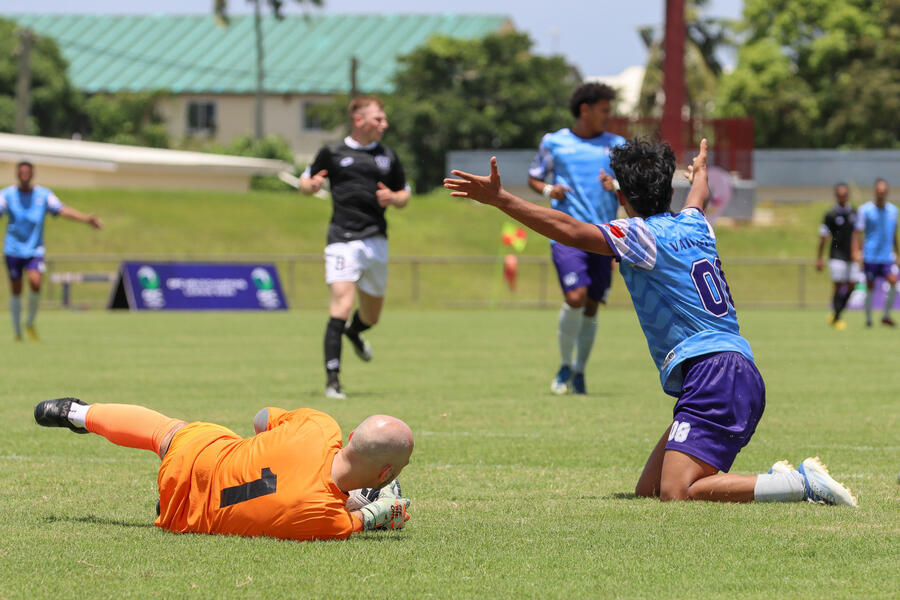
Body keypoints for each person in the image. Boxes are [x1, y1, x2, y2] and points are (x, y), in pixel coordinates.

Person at [445, 138, 857, 505]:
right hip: (733, 369)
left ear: (622, 196)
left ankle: (797, 483)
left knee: (676, 492)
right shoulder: (696, 222)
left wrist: (502, 199)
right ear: (669, 190)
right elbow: (698, 195)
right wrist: (700, 172)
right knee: (650, 490)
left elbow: (569, 229)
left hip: (713, 373)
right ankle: (777, 481)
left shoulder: (641, 236)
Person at [33, 397, 414, 540]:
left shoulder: (319, 426)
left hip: (199, 456)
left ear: (351, 436)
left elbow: (261, 417)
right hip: (182, 513)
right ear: (385, 475)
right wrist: (378, 511)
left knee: (167, 431)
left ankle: (76, 412)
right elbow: (361, 518)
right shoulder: (324, 520)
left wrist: (274, 449)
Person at [299, 96, 410, 399]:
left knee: (371, 316)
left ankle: (354, 332)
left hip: (376, 240)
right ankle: (333, 381)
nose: (384, 124)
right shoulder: (332, 152)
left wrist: (394, 198)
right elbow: (305, 182)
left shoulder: (387, 155)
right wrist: (310, 186)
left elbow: (404, 194)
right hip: (342, 240)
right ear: (359, 121)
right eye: (378, 119)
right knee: (341, 305)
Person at [527, 83, 625, 395]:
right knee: (575, 297)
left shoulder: (617, 145)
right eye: (604, 110)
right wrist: (549, 190)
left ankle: (580, 371)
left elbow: (631, 184)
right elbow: (535, 177)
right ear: (585, 110)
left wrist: (615, 185)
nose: (608, 116)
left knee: (592, 305)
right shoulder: (554, 141)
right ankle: (564, 365)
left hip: (604, 235)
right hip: (566, 233)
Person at [1, 161, 102, 341]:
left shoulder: (44, 195)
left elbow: (63, 210)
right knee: (16, 289)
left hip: (35, 250)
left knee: (35, 282)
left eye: (27, 172)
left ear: (32, 174)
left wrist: (86, 219)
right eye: (21, 172)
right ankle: (17, 331)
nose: (24, 175)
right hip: (13, 250)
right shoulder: (7, 194)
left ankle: (29, 322)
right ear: (17, 174)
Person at [853, 178, 898, 327]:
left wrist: (897, 253)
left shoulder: (893, 210)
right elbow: (857, 232)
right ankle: (868, 319)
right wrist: (857, 251)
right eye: (879, 191)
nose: (881, 193)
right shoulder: (865, 210)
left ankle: (885, 315)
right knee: (870, 286)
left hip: (887, 256)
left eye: (883, 191)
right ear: (874, 191)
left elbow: (894, 234)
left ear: (887, 192)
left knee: (893, 281)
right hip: (870, 256)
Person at [815, 182, 858, 329]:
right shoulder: (830, 215)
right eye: (840, 195)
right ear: (836, 196)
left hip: (851, 256)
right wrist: (819, 258)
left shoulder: (854, 213)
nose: (842, 197)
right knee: (838, 286)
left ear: (848, 195)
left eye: (844, 194)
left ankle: (836, 314)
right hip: (836, 255)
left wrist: (859, 251)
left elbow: (857, 234)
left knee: (852, 285)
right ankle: (837, 317)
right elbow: (823, 238)